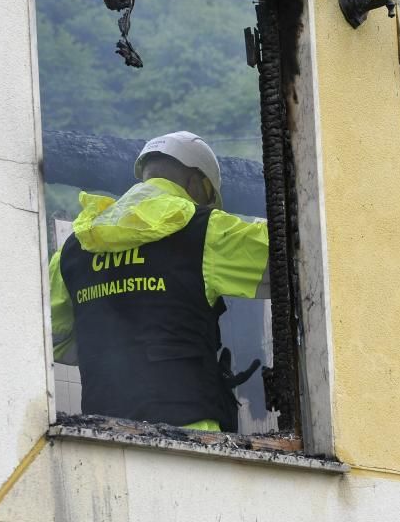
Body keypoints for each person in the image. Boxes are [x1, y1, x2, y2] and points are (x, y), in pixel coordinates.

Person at [49, 131, 269, 432]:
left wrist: (114, 345)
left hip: (103, 436)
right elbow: (286, 256)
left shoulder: (74, 248)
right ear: (197, 182)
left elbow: (53, 341)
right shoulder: (205, 230)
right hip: (192, 435)